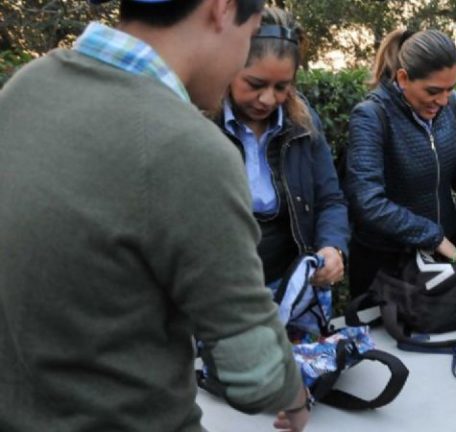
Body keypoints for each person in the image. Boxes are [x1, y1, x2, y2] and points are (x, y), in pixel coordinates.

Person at [0, 1, 310, 431]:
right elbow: (257, 376)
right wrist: (295, 396)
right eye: (252, 32)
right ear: (222, 10)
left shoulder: (26, 86)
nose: (243, 57)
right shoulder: (188, 147)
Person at [343, 28, 456, 299]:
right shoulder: (371, 116)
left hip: (441, 254)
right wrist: (433, 237)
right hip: (385, 262)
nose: (443, 100)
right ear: (403, 78)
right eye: (433, 91)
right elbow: (368, 201)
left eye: (450, 89)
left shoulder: (450, 105)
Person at [217, 7, 348, 290]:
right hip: (223, 290)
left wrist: (332, 246)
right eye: (255, 84)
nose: (266, 99)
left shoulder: (303, 124)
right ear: (230, 66)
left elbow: (330, 199)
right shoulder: (204, 124)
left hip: (293, 284)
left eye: (281, 87)